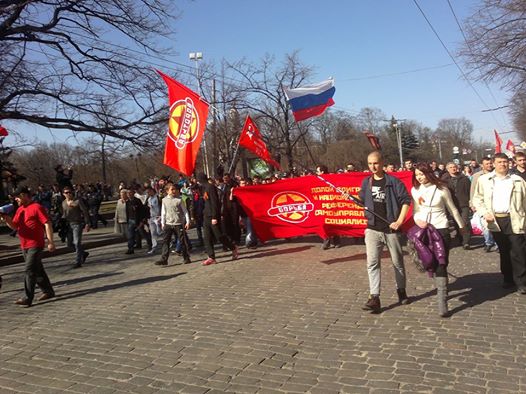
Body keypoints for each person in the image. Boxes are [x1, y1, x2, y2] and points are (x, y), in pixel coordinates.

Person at [359, 151, 412, 313]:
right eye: (369, 164)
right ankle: (374, 297)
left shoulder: (393, 182)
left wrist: (399, 221)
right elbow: (362, 201)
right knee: (372, 263)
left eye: (375, 163)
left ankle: (401, 290)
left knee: (397, 263)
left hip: (391, 229)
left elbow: (406, 201)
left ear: (382, 163)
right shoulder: (366, 183)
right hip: (372, 229)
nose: (372, 167)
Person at [412, 163, 465, 317]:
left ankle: (442, 301)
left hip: (441, 229)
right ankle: (441, 285)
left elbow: (452, 209)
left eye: (422, 174)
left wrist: (462, 226)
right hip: (424, 231)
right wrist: (417, 219)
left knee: (441, 263)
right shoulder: (415, 190)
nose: (420, 178)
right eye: (417, 175)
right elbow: (416, 210)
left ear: (429, 173)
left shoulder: (442, 189)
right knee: (431, 262)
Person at [472, 153, 526, 294]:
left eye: (505, 162)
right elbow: (477, 199)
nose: (503, 164)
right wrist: (484, 213)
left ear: (509, 163)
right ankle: (508, 278)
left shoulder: (517, 180)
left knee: (519, 251)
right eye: (499, 162)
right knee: (504, 251)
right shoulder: (485, 180)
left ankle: (521, 282)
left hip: (514, 219)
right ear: (494, 164)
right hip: (496, 221)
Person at [0, 187, 55, 307]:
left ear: (24, 195)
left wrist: (50, 241)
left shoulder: (37, 207)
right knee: (37, 269)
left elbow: (47, 224)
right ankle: (48, 291)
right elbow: (15, 226)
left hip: (35, 244)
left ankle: (27, 297)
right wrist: (7, 219)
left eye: (17, 197)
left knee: (29, 270)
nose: (16, 200)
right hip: (24, 245)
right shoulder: (20, 210)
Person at [197, 173, 238, 266]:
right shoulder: (203, 188)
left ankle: (233, 248)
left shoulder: (210, 187)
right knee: (207, 237)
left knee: (219, 236)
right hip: (206, 216)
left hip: (213, 216)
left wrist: (215, 216)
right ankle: (211, 257)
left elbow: (215, 202)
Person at [155, 184, 191, 266]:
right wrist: (162, 222)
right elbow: (163, 212)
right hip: (168, 223)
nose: (174, 191)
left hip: (178, 223)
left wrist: (187, 221)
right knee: (165, 241)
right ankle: (164, 259)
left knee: (182, 241)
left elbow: (185, 211)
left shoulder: (179, 200)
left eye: (175, 189)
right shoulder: (164, 200)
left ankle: (186, 257)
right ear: (167, 191)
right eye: (172, 189)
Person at [469, 157, 497, 252]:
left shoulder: (497, 174)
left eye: (490, 163)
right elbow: (473, 190)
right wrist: (472, 204)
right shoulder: (477, 176)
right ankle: (488, 242)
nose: (489, 165)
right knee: (485, 225)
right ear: (482, 165)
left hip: (494, 202)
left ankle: (498, 244)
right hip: (482, 203)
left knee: (497, 225)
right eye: (487, 164)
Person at [441, 162, 472, 249]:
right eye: (450, 167)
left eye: (454, 167)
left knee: (465, 222)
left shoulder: (464, 179)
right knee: (456, 222)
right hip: (452, 204)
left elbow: (469, 191)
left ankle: (466, 241)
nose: (453, 169)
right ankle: (460, 238)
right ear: (447, 169)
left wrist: (470, 201)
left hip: (464, 203)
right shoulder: (444, 180)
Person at [62, 186, 90, 268]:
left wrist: (87, 223)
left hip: (77, 224)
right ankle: (83, 253)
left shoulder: (77, 201)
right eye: (66, 193)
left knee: (77, 242)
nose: (68, 194)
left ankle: (78, 261)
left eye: (70, 192)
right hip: (68, 225)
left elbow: (85, 212)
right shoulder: (63, 203)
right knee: (70, 244)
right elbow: (64, 214)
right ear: (64, 194)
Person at [145, 186, 162, 254]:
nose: (148, 193)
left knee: (159, 231)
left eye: (148, 192)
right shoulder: (148, 199)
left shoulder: (157, 197)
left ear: (152, 191)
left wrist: (161, 216)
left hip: (157, 216)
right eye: (147, 192)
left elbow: (161, 206)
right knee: (153, 233)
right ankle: (154, 247)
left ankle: (169, 240)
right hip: (151, 217)